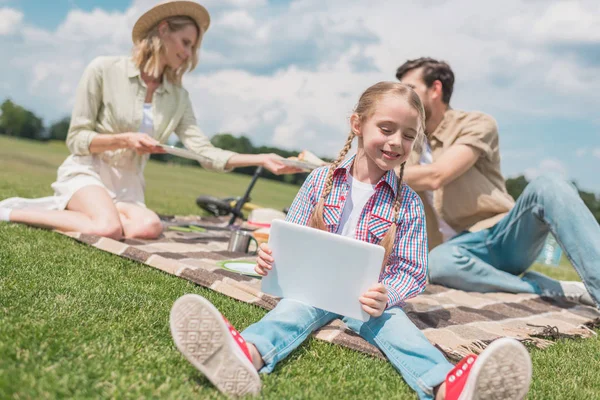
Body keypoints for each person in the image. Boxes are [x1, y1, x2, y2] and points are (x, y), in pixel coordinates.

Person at [168, 82, 533, 400]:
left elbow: (413, 269)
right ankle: (245, 354)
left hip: (368, 299)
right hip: (312, 287)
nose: (396, 142)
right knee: (291, 311)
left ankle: (448, 388)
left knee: (396, 327)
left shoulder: (408, 203)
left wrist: (386, 294)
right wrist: (270, 259)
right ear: (357, 124)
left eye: (408, 135)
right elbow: (290, 239)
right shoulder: (319, 180)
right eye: (386, 129)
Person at [0, 1, 298, 240]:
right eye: (185, 42)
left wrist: (260, 157)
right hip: (88, 173)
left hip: (128, 186)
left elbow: (204, 153)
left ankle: (95, 212)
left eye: (193, 47)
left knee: (148, 228)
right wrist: (125, 139)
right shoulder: (103, 69)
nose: (189, 53)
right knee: (107, 229)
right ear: (163, 29)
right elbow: (76, 139)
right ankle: (13, 211)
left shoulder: (178, 97)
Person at [395, 57, 599, 307]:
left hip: (501, 236)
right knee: (436, 262)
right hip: (454, 255)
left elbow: (437, 175)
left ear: (435, 89)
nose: (401, 97)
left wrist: (380, 169)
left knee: (549, 184)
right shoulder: (407, 140)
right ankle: (545, 289)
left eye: (410, 89)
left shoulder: (477, 123)